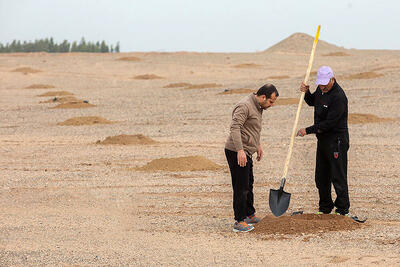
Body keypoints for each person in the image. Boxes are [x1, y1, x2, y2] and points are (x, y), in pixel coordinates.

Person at [297, 66, 350, 216]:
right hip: (323, 141)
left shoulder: (339, 97)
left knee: (338, 176)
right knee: (321, 176)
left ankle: (342, 209)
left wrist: (307, 130)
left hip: (336, 141)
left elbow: (329, 124)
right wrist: (306, 92)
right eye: (320, 84)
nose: (322, 87)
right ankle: (325, 208)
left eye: (325, 84)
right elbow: (313, 102)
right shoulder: (321, 90)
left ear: (332, 79)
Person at [225, 84, 279, 232]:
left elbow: (251, 128)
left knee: (248, 183)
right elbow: (235, 128)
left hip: (247, 150)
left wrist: (257, 145)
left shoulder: (258, 107)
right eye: (271, 102)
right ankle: (239, 221)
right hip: (236, 151)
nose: (271, 105)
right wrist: (240, 150)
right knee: (241, 186)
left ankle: (249, 214)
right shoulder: (245, 106)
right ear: (263, 97)